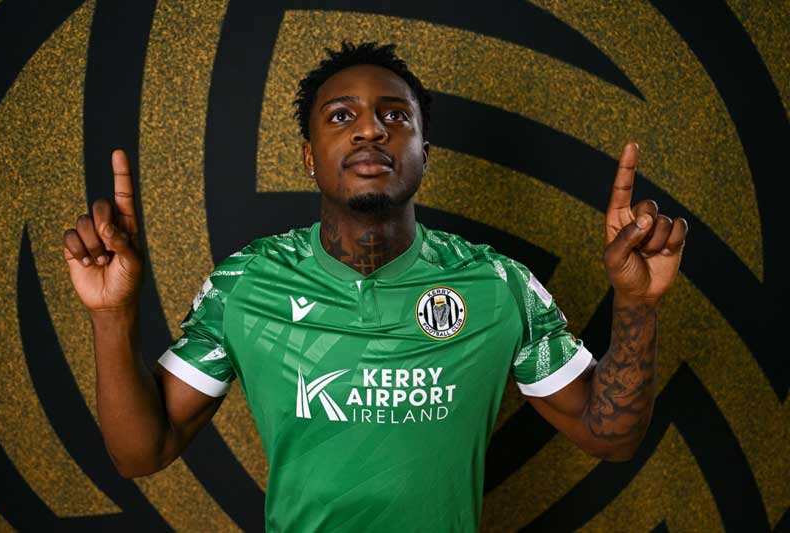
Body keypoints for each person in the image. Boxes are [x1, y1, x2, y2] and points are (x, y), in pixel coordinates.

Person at [62, 41, 688, 532]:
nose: (370, 130)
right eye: (342, 116)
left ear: (424, 152)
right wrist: (113, 315)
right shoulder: (247, 284)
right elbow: (141, 453)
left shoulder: (497, 287)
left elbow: (610, 436)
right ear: (309, 156)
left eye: (395, 116)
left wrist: (637, 304)